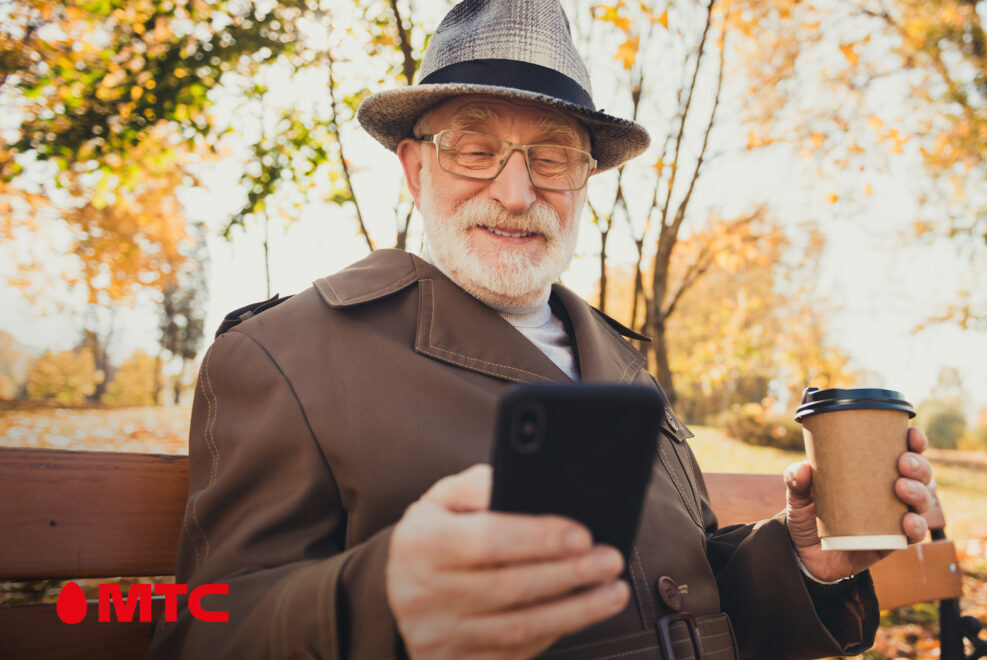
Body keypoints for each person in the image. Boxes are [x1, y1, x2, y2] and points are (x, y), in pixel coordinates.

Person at [151, 1, 936, 658]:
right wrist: (379, 594)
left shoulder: (622, 361)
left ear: (584, 180)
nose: (518, 191)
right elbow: (207, 625)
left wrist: (806, 562)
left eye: (553, 156)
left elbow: (688, 596)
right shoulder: (285, 355)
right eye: (474, 147)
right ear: (416, 170)